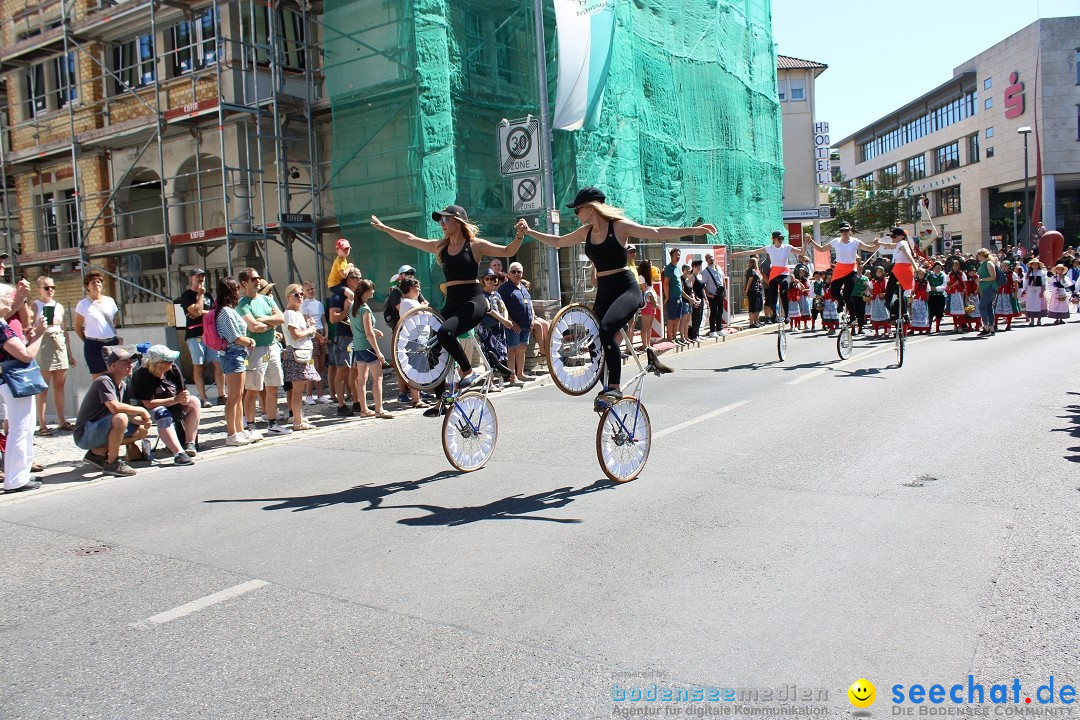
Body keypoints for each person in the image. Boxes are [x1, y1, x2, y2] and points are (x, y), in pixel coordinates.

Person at [515, 187, 711, 401]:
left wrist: (694, 230)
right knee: (593, 344)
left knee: (607, 330)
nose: (576, 215)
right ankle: (607, 390)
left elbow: (656, 232)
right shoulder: (585, 232)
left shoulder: (619, 227)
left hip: (626, 288)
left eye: (577, 210)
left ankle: (614, 387)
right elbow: (559, 242)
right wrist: (530, 232)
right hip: (605, 291)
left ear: (590, 208)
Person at [372, 204, 524, 403]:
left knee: (445, 333)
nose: (442, 223)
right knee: (432, 347)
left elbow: (507, 250)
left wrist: (520, 235)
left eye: (445, 219)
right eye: (440, 220)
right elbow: (410, 239)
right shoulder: (441, 246)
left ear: (458, 221)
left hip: (473, 301)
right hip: (452, 302)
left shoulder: (475, 245)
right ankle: (442, 400)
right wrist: (385, 228)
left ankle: (467, 371)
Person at [73, 346, 151, 477]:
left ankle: (97, 454)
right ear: (113, 365)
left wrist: (144, 420)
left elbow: (127, 415)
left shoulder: (124, 385)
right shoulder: (104, 381)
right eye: (125, 362)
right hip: (85, 434)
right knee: (120, 418)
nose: (130, 365)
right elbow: (115, 408)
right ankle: (112, 463)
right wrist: (141, 410)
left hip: (100, 429)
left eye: (131, 362)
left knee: (141, 431)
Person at [0, 284, 47, 492]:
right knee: (20, 428)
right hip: (13, 381)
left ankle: (21, 475)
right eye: (9, 296)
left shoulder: (2, 322)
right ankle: (15, 479)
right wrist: (40, 335)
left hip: (12, 381)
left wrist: (30, 336)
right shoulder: (0, 326)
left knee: (26, 427)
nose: (13, 299)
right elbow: (26, 355)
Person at [237, 268, 288, 437]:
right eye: (254, 279)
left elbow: (281, 318)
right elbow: (253, 327)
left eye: (258, 278)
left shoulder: (267, 300)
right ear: (244, 283)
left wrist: (263, 320)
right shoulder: (242, 304)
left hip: (272, 346)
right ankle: (250, 427)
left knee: (273, 387)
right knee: (252, 389)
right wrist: (270, 323)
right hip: (255, 350)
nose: (258, 281)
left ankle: (272, 424)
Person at [130, 344, 200, 465]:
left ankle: (190, 444)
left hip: (173, 403)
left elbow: (182, 391)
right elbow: (148, 403)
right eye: (169, 361)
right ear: (159, 364)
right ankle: (178, 454)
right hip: (148, 410)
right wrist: (175, 400)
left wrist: (184, 397)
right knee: (162, 412)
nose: (172, 362)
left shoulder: (172, 369)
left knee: (194, 401)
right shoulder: (142, 375)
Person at [214, 276, 257, 446]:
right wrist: (250, 341)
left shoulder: (229, 310)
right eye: (235, 288)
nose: (238, 291)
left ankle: (239, 430)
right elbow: (234, 337)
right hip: (232, 354)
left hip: (238, 354)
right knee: (233, 396)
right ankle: (232, 433)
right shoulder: (225, 311)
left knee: (238, 395)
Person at [33, 275, 76, 435]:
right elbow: (30, 328)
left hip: (59, 344)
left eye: (52, 287)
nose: (50, 290)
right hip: (44, 343)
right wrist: (41, 326)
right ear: (39, 290)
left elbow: (65, 330)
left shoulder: (59, 306)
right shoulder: (35, 305)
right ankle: (42, 424)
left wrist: (69, 352)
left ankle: (61, 420)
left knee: (60, 386)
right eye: (47, 287)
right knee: (43, 387)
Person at [177, 268, 224, 407]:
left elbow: (215, 312)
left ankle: (222, 394)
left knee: (218, 363)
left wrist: (202, 312)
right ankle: (203, 398)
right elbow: (196, 311)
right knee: (199, 366)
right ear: (191, 278)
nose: (201, 279)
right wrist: (200, 296)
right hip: (195, 335)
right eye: (198, 276)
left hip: (210, 334)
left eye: (203, 276)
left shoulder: (209, 295)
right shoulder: (187, 295)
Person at [808, 221, 875, 317]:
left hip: (851, 269)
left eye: (846, 230)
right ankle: (840, 302)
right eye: (842, 230)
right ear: (840, 231)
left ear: (849, 230)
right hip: (839, 269)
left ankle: (852, 317)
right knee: (834, 292)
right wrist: (811, 241)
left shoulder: (855, 241)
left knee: (847, 295)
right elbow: (821, 249)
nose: (844, 232)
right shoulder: (836, 241)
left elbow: (870, 248)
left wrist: (877, 244)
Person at [348, 279, 392, 419]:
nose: (373, 291)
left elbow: (357, 327)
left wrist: (374, 330)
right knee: (378, 377)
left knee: (362, 379)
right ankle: (379, 409)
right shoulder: (365, 309)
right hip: (367, 347)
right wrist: (378, 351)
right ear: (367, 292)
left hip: (358, 346)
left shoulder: (354, 306)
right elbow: (368, 333)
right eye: (372, 289)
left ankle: (364, 409)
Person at [732, 231, 796, 324]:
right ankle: (774, 314)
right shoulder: (769, 248)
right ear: (773, 239)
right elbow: (753, 251)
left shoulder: (787, 247)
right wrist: (737, 254)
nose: (781, 240)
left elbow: (802, 251)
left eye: (782, 238)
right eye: (779, 238)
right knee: (771, 298)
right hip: (774, 273)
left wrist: (807, 242)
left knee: (783, 292)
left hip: (784, 273)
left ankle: (787, 315)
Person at [282, 283, 321, 430]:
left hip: (302, 352)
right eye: (296, 295)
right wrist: (309, 329)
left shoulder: (297, 314)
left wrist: (307, 326)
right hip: (297, 353)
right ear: (288, 297)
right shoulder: (290, 313)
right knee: (297, 391)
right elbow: (295, 335)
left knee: (299, 389)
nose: (300, 297)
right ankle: (297, 421)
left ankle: (298, 419)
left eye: (301, 294)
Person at [328, 268, 362, 417]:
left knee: (354, 370)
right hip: (343, 337)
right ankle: (341, 405)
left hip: (355, 337)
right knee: (342, 370)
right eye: (357, 278)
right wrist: (346, 310)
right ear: (348, 280)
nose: (360, 281)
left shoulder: (357, 296)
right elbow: (333, 319)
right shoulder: (337, 297)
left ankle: (356, 402)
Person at [74, 271, 120, 379]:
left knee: (115, 374)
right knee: (99, 378)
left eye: (99, 282)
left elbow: (113, 321)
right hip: (93, 345)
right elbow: (77, 326)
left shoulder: (110, 301)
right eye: (93, 283)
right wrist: (87, 340)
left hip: (111, 343)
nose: (97, 284)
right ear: (87, 286)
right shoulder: (83, 304)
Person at [477, 269, 514, 391]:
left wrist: (506, 320)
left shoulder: (497, 294)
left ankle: (499, 381)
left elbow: (504, 308)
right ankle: (490, 384)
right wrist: (504, 321)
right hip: (487, 330)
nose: (490, 281)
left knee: (500, 356)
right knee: (489, 356)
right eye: (487, 279)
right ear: (483, 280)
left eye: (492, 279)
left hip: (499, 329)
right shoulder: (481, 295)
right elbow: (490, 311)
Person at [498, 262, 535, 383]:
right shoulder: (504, 289)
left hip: (526, 325)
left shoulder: (523, 287)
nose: (516, 274)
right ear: (508, 274)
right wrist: (511, 322)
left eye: (518, 271)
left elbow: (529, 304)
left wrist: (532, 318)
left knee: (522, 348)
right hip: (512, 326)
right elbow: (502, 308)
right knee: (512, 350)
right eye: (513, 271)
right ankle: (513, 377)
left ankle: (521, 374)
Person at [300, 281, 330, 405]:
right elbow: (307, 322)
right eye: (308, 290)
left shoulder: (319, 304)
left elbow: (323, 320)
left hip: (321, 333)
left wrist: (326, 335)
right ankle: (308, 395)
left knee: (321, 367)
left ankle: (320, 394)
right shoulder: (304, 305)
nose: (311, 291)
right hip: (312, 335)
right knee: (312, 365)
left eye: (312, 289)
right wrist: (318, 336)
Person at [661, 248, 687, 341]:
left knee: (677, 319)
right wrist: (667, 297)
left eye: (679, 255)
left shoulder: (677, 268)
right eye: (676, 255)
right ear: (671, 256)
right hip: (672, 297)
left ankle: (675, 338)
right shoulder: (669, 268)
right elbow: (666, 283)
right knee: (671, 319)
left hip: (679, 297)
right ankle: (669, 339)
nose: (678, 257)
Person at [701, 253, 725, 336]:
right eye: (709, 258)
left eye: (712, 257)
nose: (711, 259)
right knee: (714, 312)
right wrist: (708, 294)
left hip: (720, 294)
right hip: (712, 294)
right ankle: (712, 330)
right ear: (706, 260)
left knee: (720, 311)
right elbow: (703, 285)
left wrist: (724, 290)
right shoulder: (705, 271)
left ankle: (719, 329)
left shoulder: (718, 268)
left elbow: (723, 278)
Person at [946, 260, 969, 332]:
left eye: (956, 266)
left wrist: (966, 295)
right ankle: (955, 326)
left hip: (960, 294)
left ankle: (960, 326)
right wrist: (954, 285)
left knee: (961, 312)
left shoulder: (962, 274)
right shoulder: (949, 275)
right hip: (953, 294)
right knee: (954, 312)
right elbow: (948, 287)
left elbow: (965, 285)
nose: (955, 267)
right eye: (954, 266)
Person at [926, 261, 947, 333]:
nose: (938, 269)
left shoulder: (943, 275)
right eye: (936, 268)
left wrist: (935, 288)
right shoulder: (929, 276)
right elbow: (926, 284)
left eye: (939, 268)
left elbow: (944, 286)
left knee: (939, 312)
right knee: (931, 312)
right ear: (933, 269)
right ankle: (929, 327)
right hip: (932, 296)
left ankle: (937, 327)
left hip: (940, 296)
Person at [688, 259, 706, 340]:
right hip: (696, 299)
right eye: (697, 266)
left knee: (700, 316)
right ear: (694, 267)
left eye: (700, 266)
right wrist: (694, 298)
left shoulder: (700, 276)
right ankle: (694, 335)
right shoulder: (692, 276)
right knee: (695, 317)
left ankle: (697, 333)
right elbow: (691, 289)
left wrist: (706, 299)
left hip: (701, 298)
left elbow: (703, 289)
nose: (699, 268)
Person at [744, 257, 764, 327]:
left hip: (756, 290)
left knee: (756, 307)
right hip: (752, 291)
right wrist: (746, 290)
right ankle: (751, 323)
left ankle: (755, 321)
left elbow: (761, 278)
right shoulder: (751, 271)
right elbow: (749, 282)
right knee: (752, 307)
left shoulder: (755, 271)